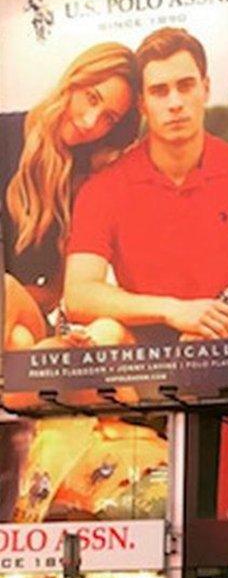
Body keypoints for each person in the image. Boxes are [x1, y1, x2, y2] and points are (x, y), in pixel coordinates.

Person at [63, 28, 228, 349]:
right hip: (141, 353)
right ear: (142, 104)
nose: (175, 102)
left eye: (185, 86)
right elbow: (79, 294)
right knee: (104, 331)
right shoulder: (104, 187)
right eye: (160, 91)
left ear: (205, 88)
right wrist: (174, 311)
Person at [2, 42, 139, 351]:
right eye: (92, 98)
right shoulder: (4, 135)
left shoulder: (84, 180)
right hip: (18, 331)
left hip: (29, 312)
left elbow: (54, 292)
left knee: (6, 292)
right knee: (18, 341)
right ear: (75, 80)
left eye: (109, 118)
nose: (91, 122)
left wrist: (15, 295)